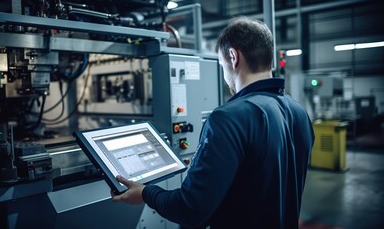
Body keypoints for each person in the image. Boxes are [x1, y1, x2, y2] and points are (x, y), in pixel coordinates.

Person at [111, 16, 315, 229]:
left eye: (221, 65)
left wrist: (146, 193)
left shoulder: (227, 118)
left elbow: (190, 209)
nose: (225, 75)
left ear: (233, 57)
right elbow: (263, 175)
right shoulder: (298, 112)